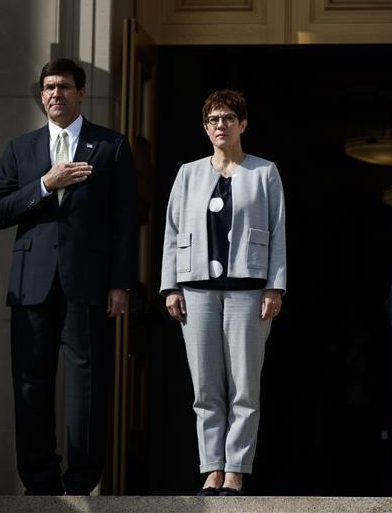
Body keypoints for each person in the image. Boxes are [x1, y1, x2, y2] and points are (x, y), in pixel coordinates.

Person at [0, 58, 138, 495]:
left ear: (80, 94)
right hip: (31, 284)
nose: (55, 94)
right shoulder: (21, 149)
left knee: (88, 383)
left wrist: (120, 283)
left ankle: (81, 482)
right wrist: (45, 184)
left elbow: (125, 221)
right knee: (31, 383)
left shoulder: (110, 146)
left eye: (64, 87)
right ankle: (39, 482)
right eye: (48, 87)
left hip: (88, 283)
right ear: (41, 95)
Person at [160, 89, 286, 496]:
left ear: (243, 124)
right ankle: (211, 468)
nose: (220, 126)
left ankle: (235, 470)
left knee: (245, 385)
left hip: (249, 291)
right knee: (206, 386)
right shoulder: (188, 173)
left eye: (228, 118)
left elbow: (278, 232)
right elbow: (172, 231)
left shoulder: (265, 172)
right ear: (205, 127)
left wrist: (275, 285)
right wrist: (170, 286)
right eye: (213, 120)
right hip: (196, 290)